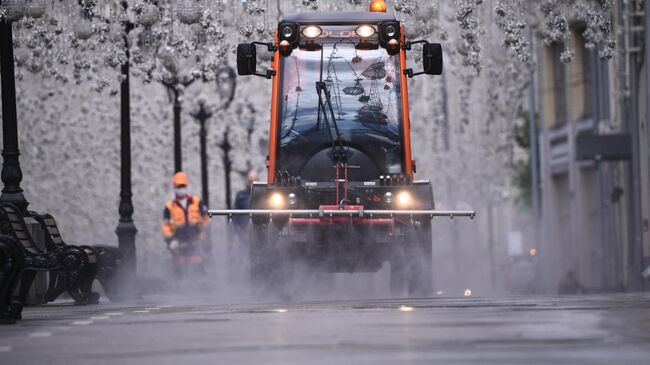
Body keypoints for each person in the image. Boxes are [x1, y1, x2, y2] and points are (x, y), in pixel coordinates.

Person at [162, 172, 209, 260]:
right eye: (179, 186)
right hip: (179, 247)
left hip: (196, 245)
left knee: (198, 268)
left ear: (187, 186)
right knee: (181, 270)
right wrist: (171, 241)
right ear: (174, 187)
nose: (181, 189)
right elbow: (166, 226)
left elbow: (206, 219)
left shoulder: (196, 202)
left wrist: (202, 235)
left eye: (183, 186)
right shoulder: (169, 206)